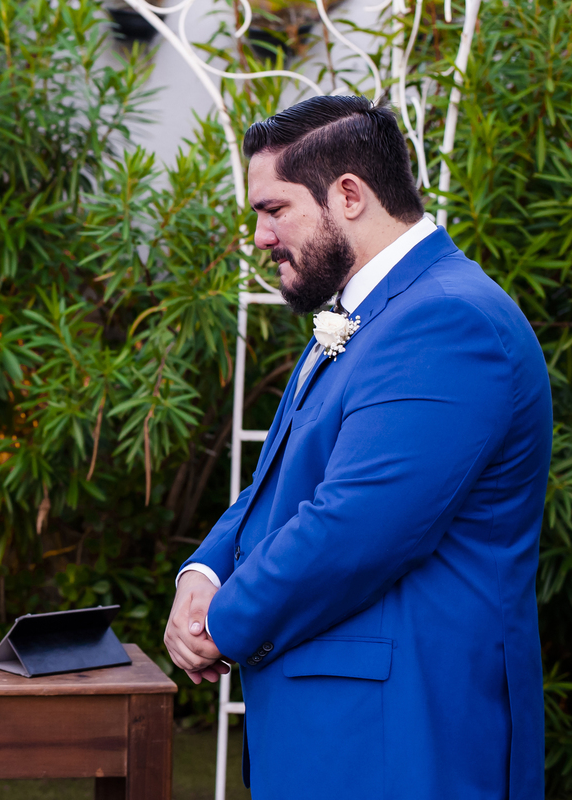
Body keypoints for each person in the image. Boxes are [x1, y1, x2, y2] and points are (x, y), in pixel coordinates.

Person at [164, 96, 551, 799]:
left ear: (348, 194)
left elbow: (358, 524)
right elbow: (279, 483)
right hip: (344, 731)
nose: (259, 236)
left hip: (402, 740)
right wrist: (206, 573)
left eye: (274, 209)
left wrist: (220, 623)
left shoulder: (447, 319)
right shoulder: (365, 314)